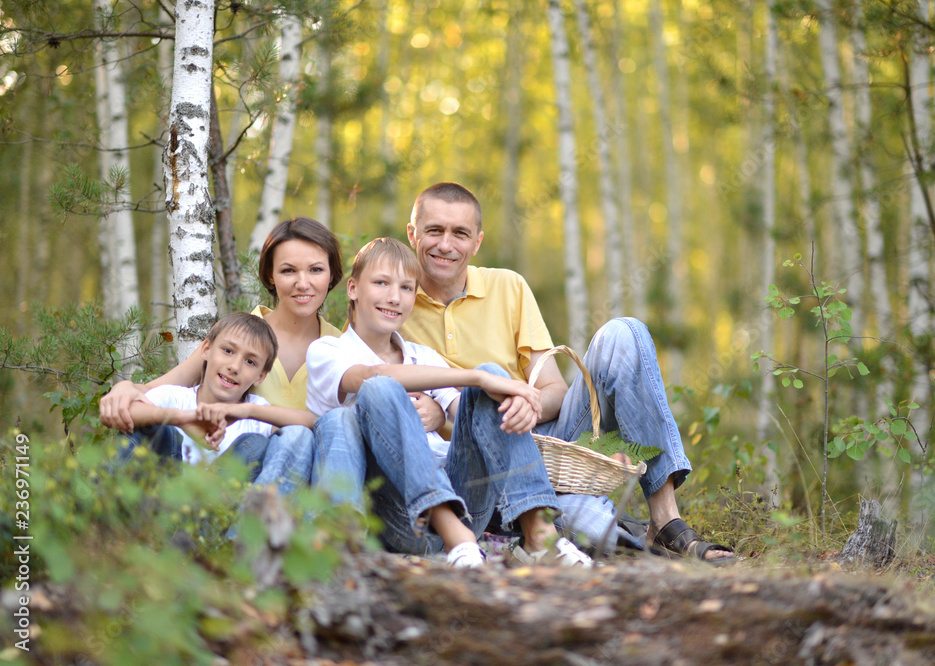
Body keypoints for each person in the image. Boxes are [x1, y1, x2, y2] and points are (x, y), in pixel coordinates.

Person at [398, 182, 736, 564]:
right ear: (413, 234)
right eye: (434, 231)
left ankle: (665, 519)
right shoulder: (393, 301)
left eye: (459, 233)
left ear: (476, 242)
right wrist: (442, 415)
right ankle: (576, 526)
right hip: (466, 473)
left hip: (541, 443)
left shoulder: (508, 286)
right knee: (597, 533)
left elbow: (555, 390)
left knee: (624, 333)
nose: (446, 244)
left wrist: (525, 404)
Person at [99, 218, 443, 493]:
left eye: (316, 270)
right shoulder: (240, 339)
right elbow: (163, 390)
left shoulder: (343, 351)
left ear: (333, 278)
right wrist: (125, 388)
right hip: (236, 467)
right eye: (288, 270)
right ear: (271, 276)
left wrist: (439, 413)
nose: (303, 283)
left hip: (308, 479)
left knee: (294, 438)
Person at [306, 237, 592, 567]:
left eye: (406, 288)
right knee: (380, 389)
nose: (393, 297)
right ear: (353, 288)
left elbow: (465, 415)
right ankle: (452, 534)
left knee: (490, 375)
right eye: (381, 283)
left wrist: (502, 393)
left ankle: (540, 536)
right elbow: (372, 375)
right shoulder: (327, 351)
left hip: (465, 503)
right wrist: (474, 378)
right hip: (396, 515)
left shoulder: (423, 356)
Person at [118, 313, 315, 476]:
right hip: (165, 493)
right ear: (206, 349)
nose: (234, 366)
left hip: (218, 503)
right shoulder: (177, 398)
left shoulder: (255, 414)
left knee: (256, 444)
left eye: (250, 362)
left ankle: (205, 518)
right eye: (228, 351)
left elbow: (311, 423)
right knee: (155, 428)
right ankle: (103, 509)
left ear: (260, 376)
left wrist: (245, 411)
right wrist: (181, 418)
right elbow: (128, 411)